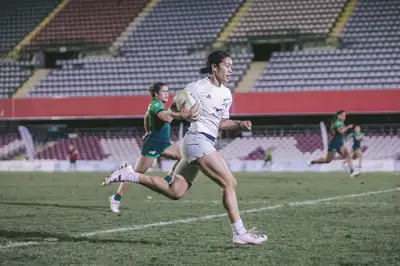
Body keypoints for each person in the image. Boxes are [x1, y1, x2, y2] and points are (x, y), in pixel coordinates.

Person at [102, 51, 267, 245]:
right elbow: (171, 110)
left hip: (201, 142)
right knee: (229, 183)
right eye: (227, 65)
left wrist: (239, 124)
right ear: (215, 67)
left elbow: (221, 122)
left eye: (232, 66)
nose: (231, 70)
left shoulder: (226, 94)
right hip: (197, 141)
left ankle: (129, 175)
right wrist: (183, 114)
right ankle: (239, 233)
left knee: (175, 191)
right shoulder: (195, 87)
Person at [109, 83, 198, 214]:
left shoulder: (158, 105)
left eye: (168, 91)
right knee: (135, 175)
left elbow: (146, 116)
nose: (167, 94)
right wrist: (181, 114)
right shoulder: (156, 104)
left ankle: (167, 179)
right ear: (156, 94)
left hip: (164, 144)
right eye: (164, 92)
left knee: (184, 157)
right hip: (152, 146)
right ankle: (116, 198)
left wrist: (147, 130)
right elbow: (167, 118)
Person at [309, 110, 360, 177]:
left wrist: (345, 137)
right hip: (334, 144)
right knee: (327, 160)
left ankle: (352, 172)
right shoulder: (338, 122)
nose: (344, 117)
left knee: (348, 155)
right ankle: (313, 162)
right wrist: (348, 127)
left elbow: (340, 133)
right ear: (339, 116)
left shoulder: (340, 123)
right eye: (343, 115)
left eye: (345, 115)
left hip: (340, 144)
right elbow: (341, 131)